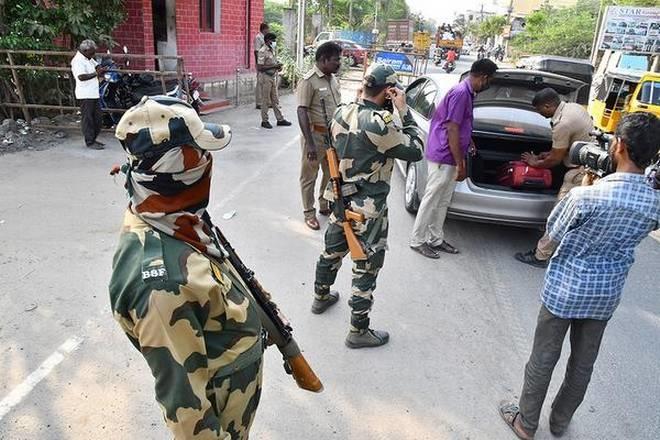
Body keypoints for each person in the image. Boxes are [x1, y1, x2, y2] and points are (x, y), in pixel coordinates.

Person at [109, 96, 264, 439]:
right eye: (203, 154)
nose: (209, 162)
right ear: (184, 170)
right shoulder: (162, 285)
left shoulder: (171, 214)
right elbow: (188, 417)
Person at [498, 112, 660, 440]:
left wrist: (584, 191)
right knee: (582, 365)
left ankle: (526, 424)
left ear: (619, 146)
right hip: (605, 296)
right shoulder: (655, 202)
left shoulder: (584, 196)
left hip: (564, 290)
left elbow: (550, 240)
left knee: (543, 358)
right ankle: (559, 423)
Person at [311, 64, 424, 348]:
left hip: (339, 198)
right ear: (388, 91)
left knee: (331, 252)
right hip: (368, 208)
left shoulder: (341, 111)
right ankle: (358, 331)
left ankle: (320, 297)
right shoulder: (381, 123)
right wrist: (404, 111)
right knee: (365, 266)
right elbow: (416, 150)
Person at [409, 59, 498, 258]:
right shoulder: (460, 93)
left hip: (449, 154)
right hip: (444, 155)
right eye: (489, 80)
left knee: (443, 201)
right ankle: (417, 240)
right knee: (432, 199)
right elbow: (452, 128)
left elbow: (461, 124)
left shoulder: (467, 92)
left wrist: (470, 141)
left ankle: (435, 239)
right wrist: (460, 163)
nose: (488, 84)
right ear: (483, 77)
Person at [514, 88, 593, 268]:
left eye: (539, 110)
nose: (539, 114)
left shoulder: (562, 124)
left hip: (577, 173)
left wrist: (534, 162)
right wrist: (548, 154)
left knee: (558, 215)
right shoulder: (574, 108)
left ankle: (541, 256)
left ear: (548, 106)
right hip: (587, 169)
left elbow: (555, 160)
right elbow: (564, 148)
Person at [296, 41, 343, 230]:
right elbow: (301, 111)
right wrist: (310, 144)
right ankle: (309, 213)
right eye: (336, 60)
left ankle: (324, 202)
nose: (339, 63)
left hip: (332, 136)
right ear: (323, 60)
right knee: (309, 176)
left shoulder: (332, 78)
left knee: (331, 172)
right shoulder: (309, 81)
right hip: (314, 137)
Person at [70, 39, 107, 150]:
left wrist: (100, 69)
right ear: (85, 50)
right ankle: (90, 142)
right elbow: (81, 77)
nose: (93, 54)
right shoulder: (78, 61)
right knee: (88, 119)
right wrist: (97, 73)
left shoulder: (88, 58)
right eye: (91, 52)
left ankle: (93, 139)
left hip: (93, 92)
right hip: (85, 94)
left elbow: (96, 65)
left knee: (98, 118)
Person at [257, 33, 292, 129]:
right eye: (273, 40)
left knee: (275, 99)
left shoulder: (272, 50)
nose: (274, 42)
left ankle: (280, 119)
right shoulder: (262, 51)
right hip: (265, 77)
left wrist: (278, 67)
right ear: (268, 40)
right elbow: (260, 67)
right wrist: (274, 66)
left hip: (272, 77)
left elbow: (272, 63)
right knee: (265, 100)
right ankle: (264, 120)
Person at [254, 23, 269, 110]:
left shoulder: (265, 38)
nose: (268, 31)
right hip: (260, 62)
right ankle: (258, 102)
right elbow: (256, 51)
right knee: (259, 82)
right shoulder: (258, 38)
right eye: (267, 29)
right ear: (264, 29)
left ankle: (266, 101)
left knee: (265, 81)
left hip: (266, 63)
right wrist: (258, 63)